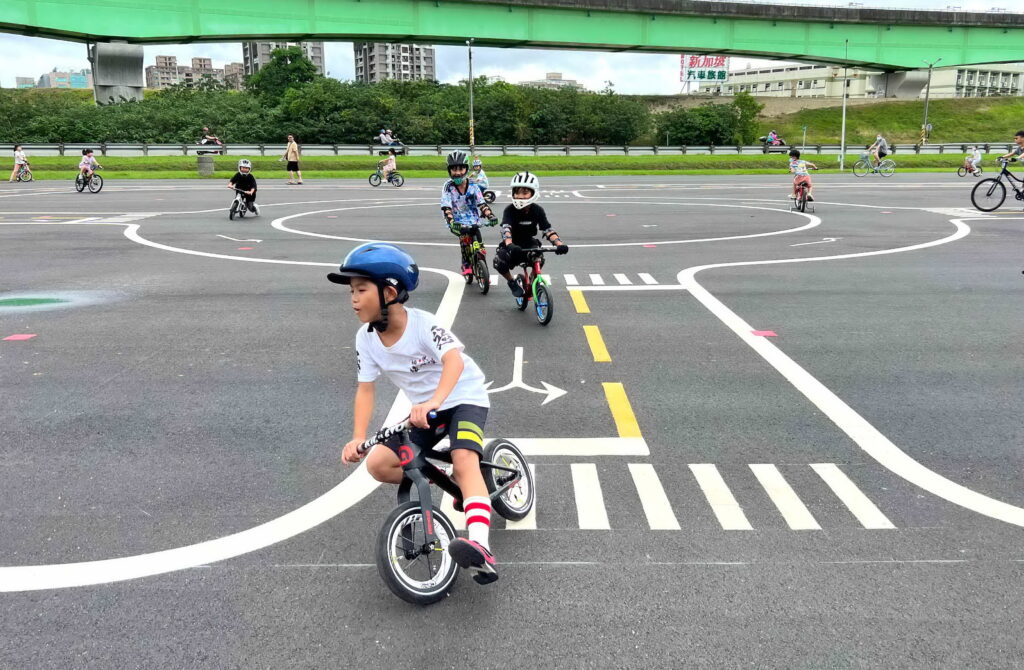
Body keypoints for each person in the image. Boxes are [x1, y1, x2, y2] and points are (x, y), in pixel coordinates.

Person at [333, 242, 499, 585]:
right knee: (379, 464)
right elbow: (366, 389)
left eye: (361, 290)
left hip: (463, 397)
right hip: (424, 411)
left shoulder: (423, 325)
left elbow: (453, 361)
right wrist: (358, 437)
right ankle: (457, 487)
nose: (353, 299)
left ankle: (481, 547)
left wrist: (434, 401)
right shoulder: (366, 339)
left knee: (464, 459)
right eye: (351, 291)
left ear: (389, 292)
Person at [493, 172, 568, 297]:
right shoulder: (509, 210)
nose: (520, 196)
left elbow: (547, 229)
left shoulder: (537, 210)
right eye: (517, 192)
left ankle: (534, 280)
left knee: (539, 258)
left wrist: (559, 244)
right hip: (513, 244)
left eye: (525, 193)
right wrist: (509, 244)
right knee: (499, 262)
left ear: (533, 193)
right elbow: (506, 229)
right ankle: (511, 282)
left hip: (528, 242)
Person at [440, 150, 498, 277]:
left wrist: (490, 215)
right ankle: (466, 263)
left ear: (466, 169)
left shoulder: (473, 185)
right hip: (457, 221)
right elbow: (446, 206)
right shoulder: (448, 186)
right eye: (454, 169)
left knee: (480, 247)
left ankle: (482, 265)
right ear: (449, 170)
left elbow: (482, 204)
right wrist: (451, 220)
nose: (457, 173)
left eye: (461, 169)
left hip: (473, 220)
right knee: (465, 240)